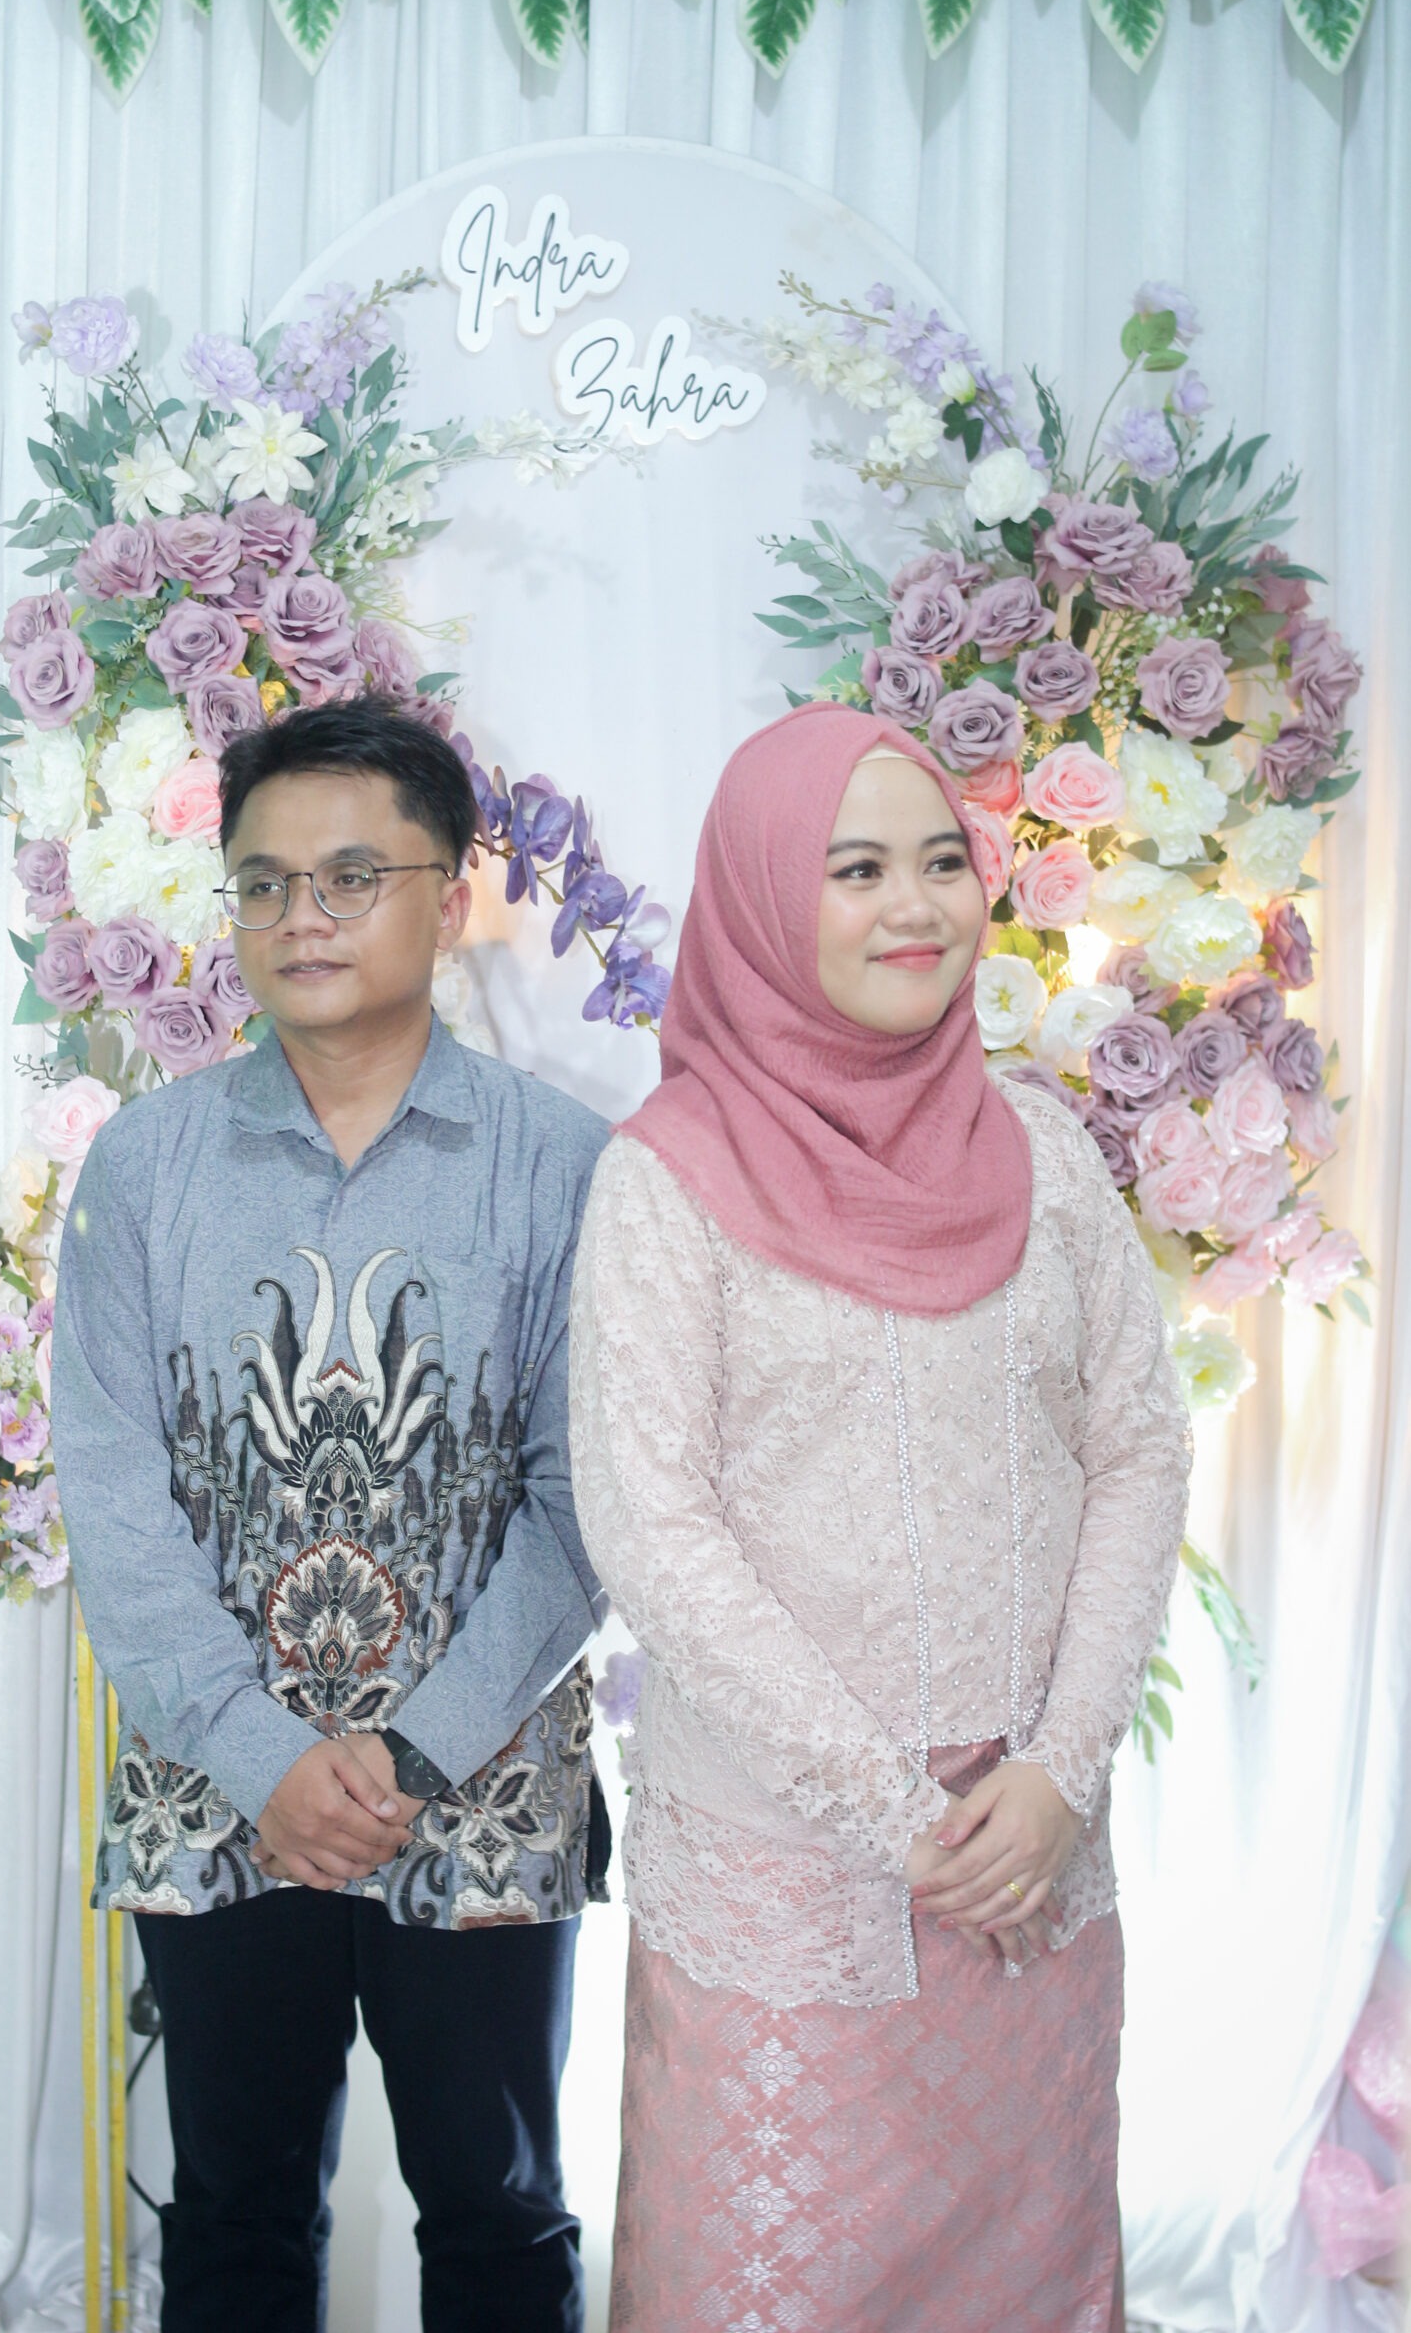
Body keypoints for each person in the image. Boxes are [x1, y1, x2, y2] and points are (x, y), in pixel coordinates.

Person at [568, 702, 1193, 2332]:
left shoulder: (1043, 1153)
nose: (914, 907)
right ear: (766, 899)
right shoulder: (667, 1180)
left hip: (1029, 1868)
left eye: (940, 863)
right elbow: (653, 1530)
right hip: (794, 1884)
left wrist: (1060, 1773)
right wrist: (894, 1817)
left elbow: (1138, 1446)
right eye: (855, 870)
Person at [51, 696, 611, 2333]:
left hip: (483, 1787)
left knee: (500, 2215)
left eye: (354, 875)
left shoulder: (566, 1165)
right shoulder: (148, 1166)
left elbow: (589, 1499)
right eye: (265, 882)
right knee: (232, 2214)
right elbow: (113, 1488)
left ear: (452, 892)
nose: (304, 915)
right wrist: (259, 1756)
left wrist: (412, 1753)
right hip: (213, 1788)